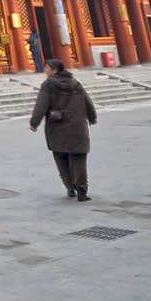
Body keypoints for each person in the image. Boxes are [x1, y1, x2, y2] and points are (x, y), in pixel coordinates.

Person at [29, 59, 98, 201]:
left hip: (57, 126)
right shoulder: (75, 83)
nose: (45, 70)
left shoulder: (48, 85)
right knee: (79, 157)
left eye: (46, 68)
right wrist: (92, 117)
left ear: (54, 70)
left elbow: (41, 105)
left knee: (61, 158)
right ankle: (82, 191)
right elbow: (87, 101)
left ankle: (70, 187)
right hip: (78, 126)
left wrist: (34, 123)